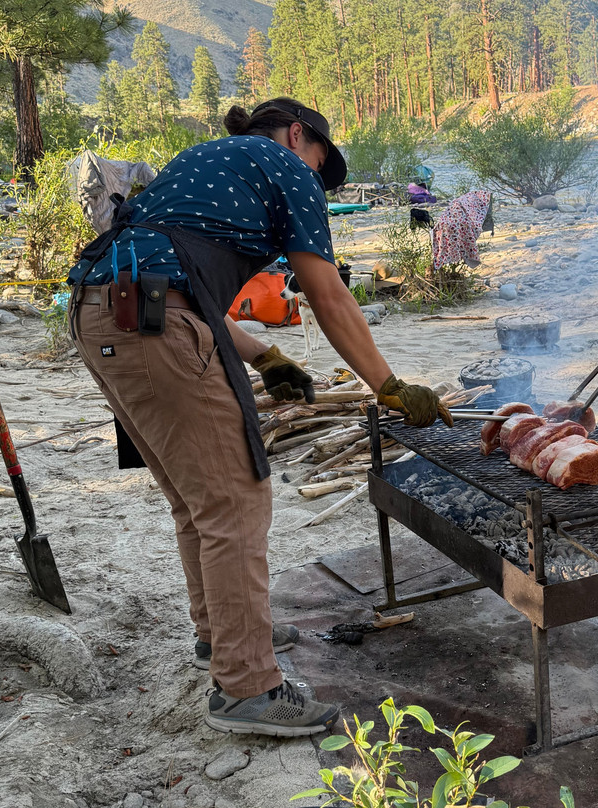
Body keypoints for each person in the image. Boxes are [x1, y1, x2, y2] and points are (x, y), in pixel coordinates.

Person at [66, 98, 453, 737]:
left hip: (103, 314)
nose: (317, 180)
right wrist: (387, 384)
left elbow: (176, 276)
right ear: (300, 136)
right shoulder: (284, 164)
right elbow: (326, 293)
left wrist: (265, 353)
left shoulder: (200, 160)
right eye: (319, 164)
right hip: (150, 323)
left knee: (198, 503)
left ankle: (223, 636)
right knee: (236, 503)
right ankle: (247, 687)